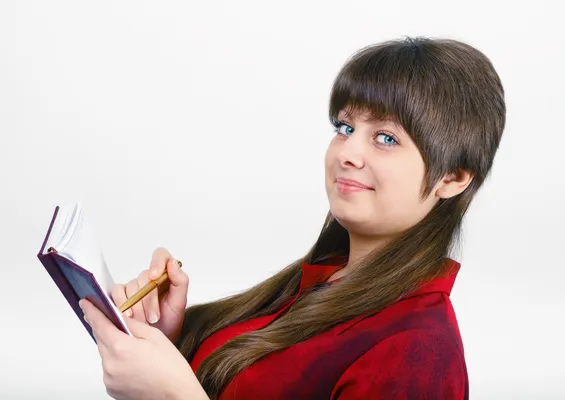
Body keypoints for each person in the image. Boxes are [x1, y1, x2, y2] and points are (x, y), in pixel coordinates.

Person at [79, 35, 506, 400]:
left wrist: (175, 392)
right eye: (344, 127)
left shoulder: (419, 352)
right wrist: (172, 343)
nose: (348, 153)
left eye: (386, 137)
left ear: (452, 177)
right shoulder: (320, 284)